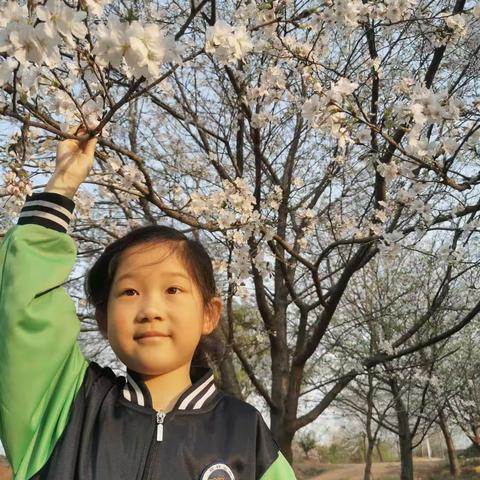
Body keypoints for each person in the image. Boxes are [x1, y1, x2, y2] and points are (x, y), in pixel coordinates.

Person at [0, 124, 297, 479]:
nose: (151, 311)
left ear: (209, 313)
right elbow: (20, 310)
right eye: (129, 292)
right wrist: (62, 185)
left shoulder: (247, 434)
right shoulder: (66, 405)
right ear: (103, 318)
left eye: (173, 290)